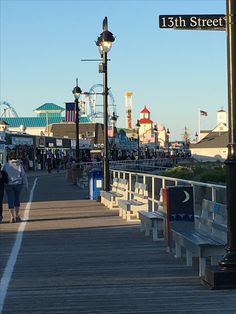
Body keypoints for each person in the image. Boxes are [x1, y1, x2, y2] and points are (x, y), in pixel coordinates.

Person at [3, 151, 28, 223]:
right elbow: (23, 175)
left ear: (9, 157)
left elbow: (2, 174)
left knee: (10, 199)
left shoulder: (6, 165)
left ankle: (12, 216)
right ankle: (17, 215)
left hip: (9, 185)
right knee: (17, 199)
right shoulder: (19, 165)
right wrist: (26, 185)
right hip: (18, 184)